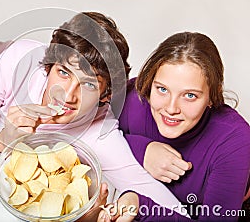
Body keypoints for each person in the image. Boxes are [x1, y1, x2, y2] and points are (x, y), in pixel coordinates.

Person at [0, 12, 189, 220]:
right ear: (49, 66)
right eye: (63, 73)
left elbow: (162, 202)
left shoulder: (100, 131)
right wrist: (1, 140)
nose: (67, 95)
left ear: (105, 95)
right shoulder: (17, 63)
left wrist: (132, 201)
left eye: (88, 85)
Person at [104, 32, 250, 221]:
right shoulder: (131, 98)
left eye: (190, 95)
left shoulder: (234, 141)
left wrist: (139, 205)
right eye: (162, 89)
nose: (171, 109)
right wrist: (142, 149)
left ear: (212, 97)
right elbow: (89, 135)